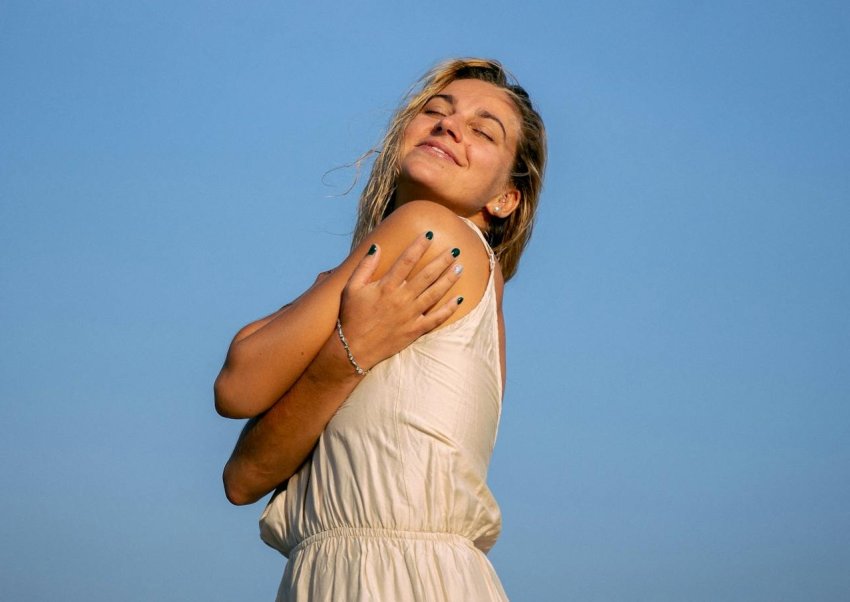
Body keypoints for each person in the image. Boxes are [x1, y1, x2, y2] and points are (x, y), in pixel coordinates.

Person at [214, 58, 546, 601]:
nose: (449, 126)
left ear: (506, 198)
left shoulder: (431, 231)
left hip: (394, 577)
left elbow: (237, 385)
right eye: (435, 111)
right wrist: (347, 356)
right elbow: (243, 477)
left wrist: (338, 320)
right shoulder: (432, 292)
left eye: (484, 131)